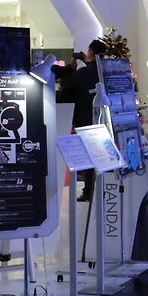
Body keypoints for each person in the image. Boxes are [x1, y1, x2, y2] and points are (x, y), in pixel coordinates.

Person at [53, 39, 105, 201]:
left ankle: (89, 191)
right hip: (104, 120)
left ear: (91, 52)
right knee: (102, 156)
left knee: (88, 156)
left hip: (85, 120)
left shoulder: (85, 72)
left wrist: (71, 67)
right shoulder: (104, 70)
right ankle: (102, 189)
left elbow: (65, 83)